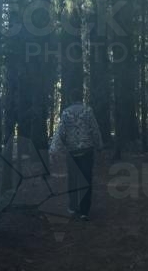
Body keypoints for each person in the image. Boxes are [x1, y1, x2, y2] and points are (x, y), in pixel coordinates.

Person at [49, 88, 103, 220]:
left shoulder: (66, 113)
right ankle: (84, 211)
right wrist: (99, 145)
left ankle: (73, 207)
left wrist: (53, 150)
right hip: (87, 151)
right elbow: (95, 130)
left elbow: (60, 133)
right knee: (86, 179)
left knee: (73, 179)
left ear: (71, 99)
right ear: (81, 97)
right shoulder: (88, 111)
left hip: (72, 152)